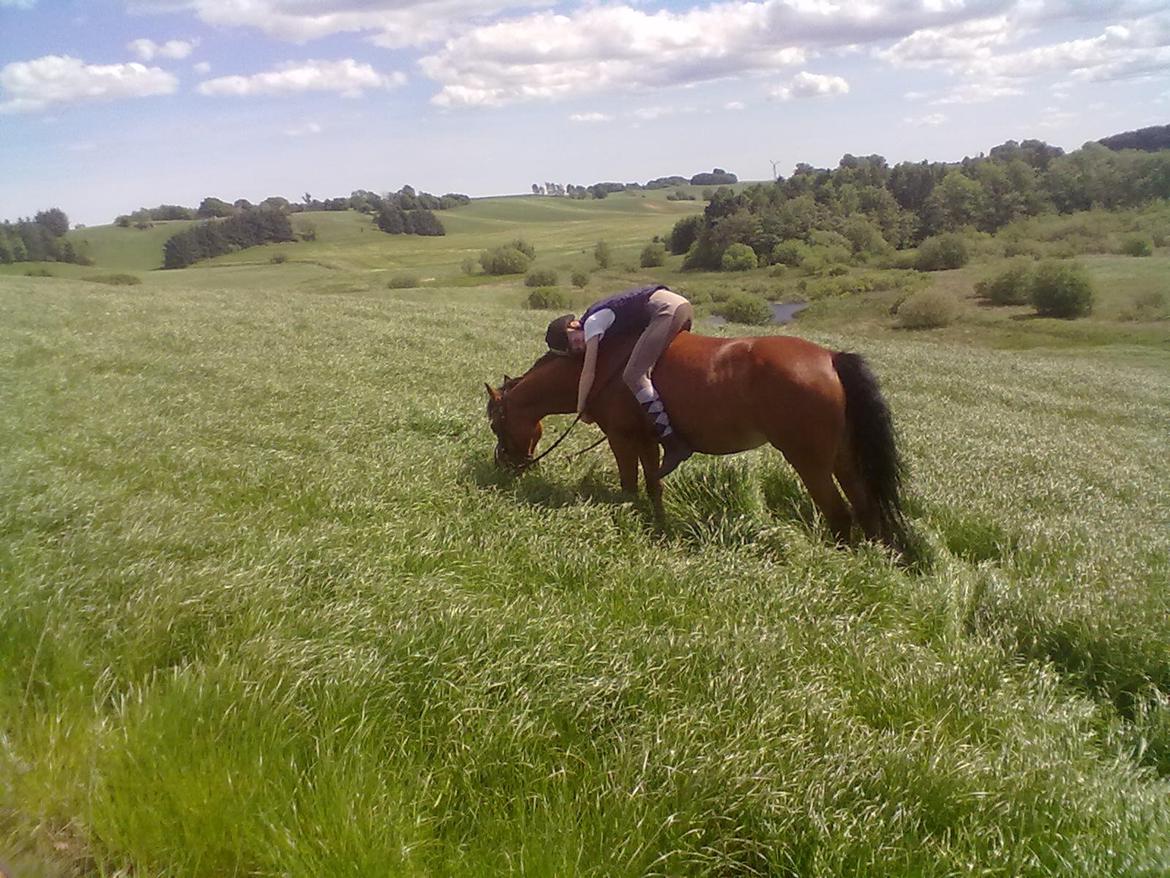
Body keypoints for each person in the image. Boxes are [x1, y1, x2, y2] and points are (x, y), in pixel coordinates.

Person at [544, 283, 694, 478]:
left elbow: (588, 372)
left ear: (573, 325)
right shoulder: (600, 320)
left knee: (634, 375)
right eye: (574, 349)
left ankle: (672, 442)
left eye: (573, 340)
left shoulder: (592, 323)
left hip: (667, 310)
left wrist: (581, 407)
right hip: (678, 306)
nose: (579, 346)